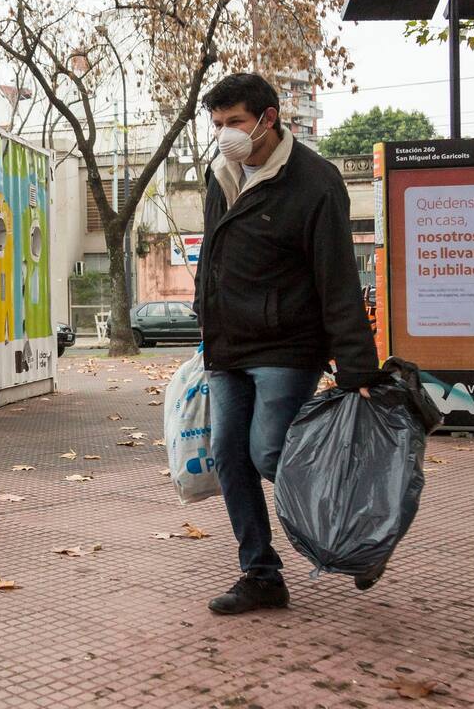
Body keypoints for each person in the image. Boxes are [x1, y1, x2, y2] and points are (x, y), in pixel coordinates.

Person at [192, 73, 386, 615]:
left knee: (270, 452)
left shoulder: (314, 181)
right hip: (228, 345)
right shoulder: (221, 173)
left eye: (234, 122)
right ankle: (262, 577)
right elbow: (214, 255)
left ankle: (362, 534)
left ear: (268, 118)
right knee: (230, 457)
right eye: (217, 124)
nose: (225, 134)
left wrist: (357, 367)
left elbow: (337, 277)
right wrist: (204, 319)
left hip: (287, 345)